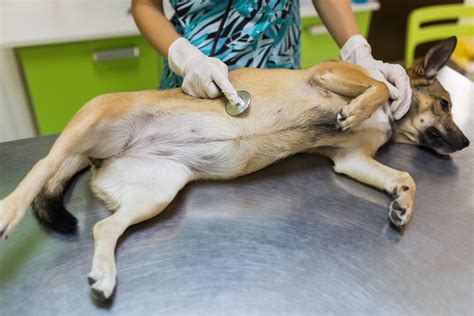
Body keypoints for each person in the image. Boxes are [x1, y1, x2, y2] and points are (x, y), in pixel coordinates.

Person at [131, 0, 411, 119]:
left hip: (281, 80)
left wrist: (357, 51)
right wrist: (187, 59)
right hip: (198, 81)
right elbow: (145, 5)